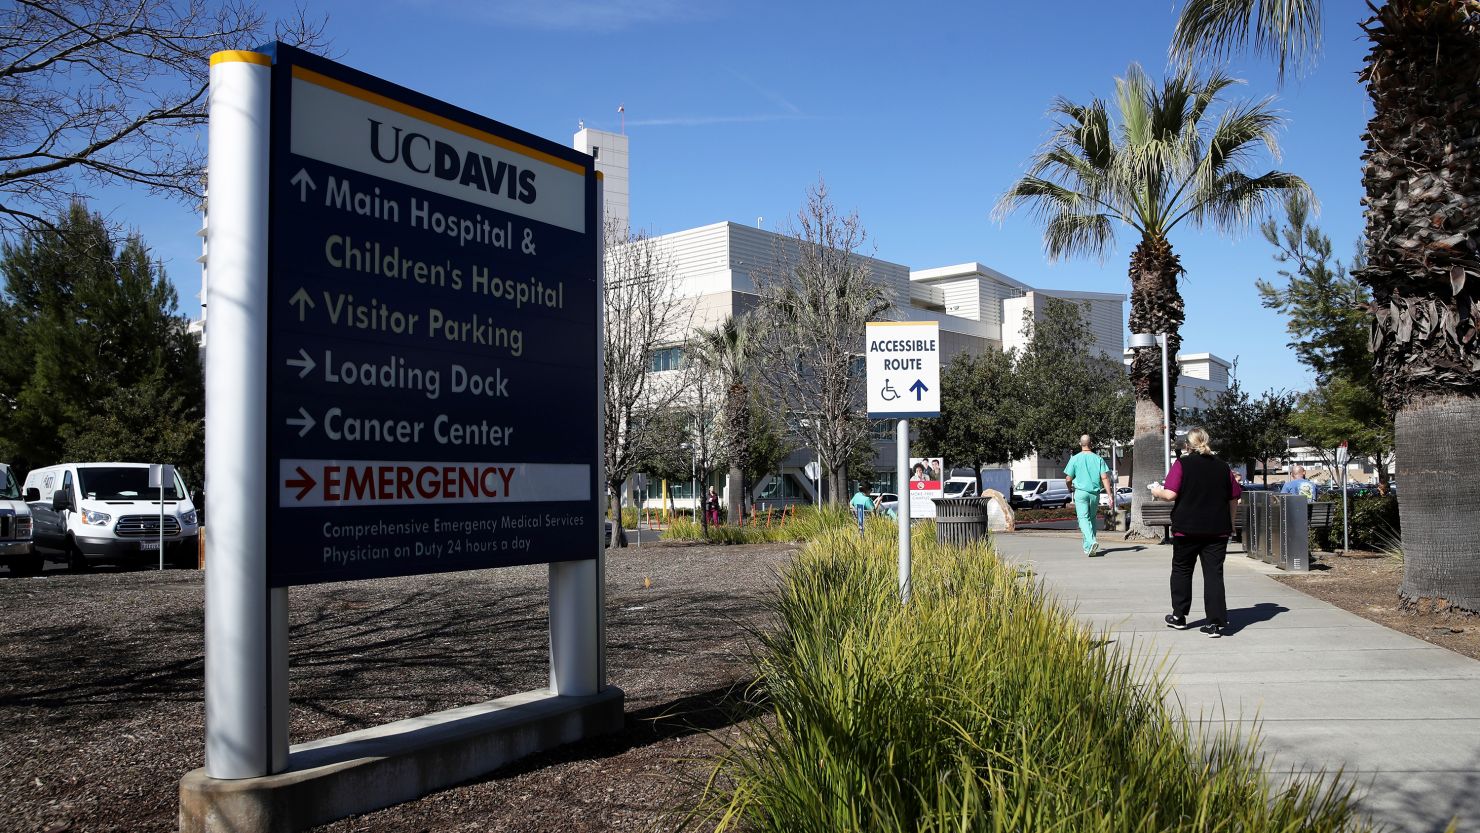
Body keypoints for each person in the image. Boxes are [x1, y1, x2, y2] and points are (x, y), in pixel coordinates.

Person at [1149, 427, 1243, 638]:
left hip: (1187, 529)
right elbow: (1233, 497)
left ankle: (1179, 616)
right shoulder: (1222, 466)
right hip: (1217, 529)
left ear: (1187, 446)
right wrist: (1232, 522)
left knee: (1182, 570)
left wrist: (1156, 491)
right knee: (1214, 575)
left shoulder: (1182, 464)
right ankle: (1215, 623)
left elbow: (1171, 494)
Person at [1064, 434, 1113, 557]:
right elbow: (1104, 477)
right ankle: (1088, 548)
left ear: (1080, 444)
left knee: (1083, 519)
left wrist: (1069, 488)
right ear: (1091, 444)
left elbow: (1068, 478)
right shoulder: (1098, 459)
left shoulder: (1074, 459)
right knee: (1091, 519)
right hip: (1094, 494)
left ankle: (1091, 542)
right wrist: (1109, 495)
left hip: (1080, 492)